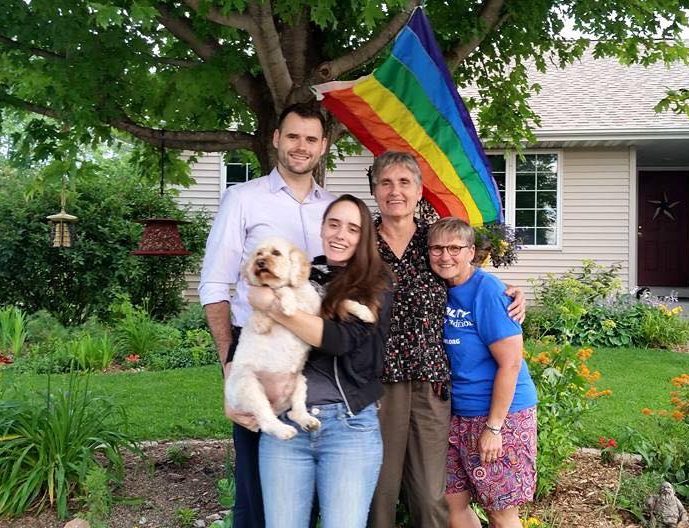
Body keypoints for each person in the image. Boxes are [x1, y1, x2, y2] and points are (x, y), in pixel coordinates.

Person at [368, 151, 526, 528]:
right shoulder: (363, 244)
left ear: (419, 190)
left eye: (404, 182)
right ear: (375, 190)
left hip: (432, 384)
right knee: (380, 492)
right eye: (386, 183)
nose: (395, 191)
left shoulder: (434, 243)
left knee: (430, 494)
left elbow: (469, 278)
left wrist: (510, 291)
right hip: (379, 383)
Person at [198, 102, 333, 528]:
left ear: (323, 146)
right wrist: (229, 367)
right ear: (276, 138)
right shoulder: (242, 199)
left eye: (311, 139)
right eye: (292, 136)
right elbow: (215, 286)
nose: (301, 146)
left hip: (320, 355)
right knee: (258, 491)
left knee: (316, 482)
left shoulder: (334, 211)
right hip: (256, 345)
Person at [246, 194, 394, 528]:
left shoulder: (377, 283)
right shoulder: (300, 272)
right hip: (286, 424)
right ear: (322, 228)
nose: (341, 234)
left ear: (364, 237)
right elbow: (254, 334)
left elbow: (339, 340)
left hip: (349, 427)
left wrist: (270, 304)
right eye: (334, 224)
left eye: (353, 229)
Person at [427, 217, 538, 528]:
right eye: (436, 248)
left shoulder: (487, 290)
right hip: (456, 414)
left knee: (501, 513)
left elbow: (511, 362)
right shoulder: (437, 288)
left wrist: (494, 428)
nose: (445, 256)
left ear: (471, 251)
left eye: (454, 248)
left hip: (500, 414)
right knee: (453, 505)